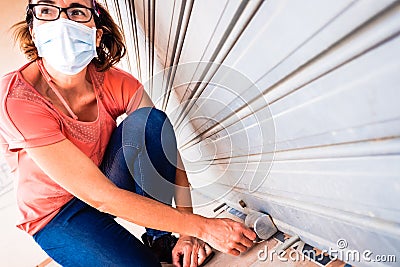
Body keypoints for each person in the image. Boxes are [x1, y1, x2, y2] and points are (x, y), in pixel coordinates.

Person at [0, 0, 257, 266]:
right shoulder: (16, 98)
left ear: (96, 33)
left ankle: (160, 240)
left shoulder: (116, 82)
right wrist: (204, 227)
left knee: (150, 121)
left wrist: (187, 233)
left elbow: (164, 143)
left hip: (106, 180)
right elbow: (100, 196)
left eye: (76, 11)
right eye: (47, 10)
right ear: (33, 30)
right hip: (55, 215)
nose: (61, 22)